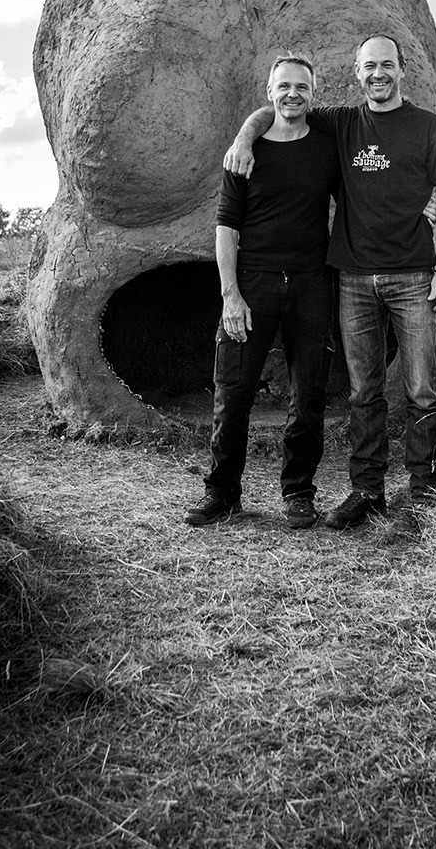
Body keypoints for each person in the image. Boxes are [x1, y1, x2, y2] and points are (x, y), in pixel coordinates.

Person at [225, 34, 436, 531]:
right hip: (353, 277)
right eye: (369, 66)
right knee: (364, 392)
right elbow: (280, 110)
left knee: (421, 389)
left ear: (402, 71)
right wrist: (244, 138)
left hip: (413, 274)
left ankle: (423, 493)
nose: (378, 74)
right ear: (356, 73)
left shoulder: (429, 128)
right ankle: (367, 493)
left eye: (387, 65)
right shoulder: (341, 123)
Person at [185, 54, 340, 530]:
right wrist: (230, 294)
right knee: (232, 392)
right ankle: (222, 492)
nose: (293, 94)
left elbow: (365, 195)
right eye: (284, 86)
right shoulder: (243, 156)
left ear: (313, 94)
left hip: (313, 284)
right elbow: (225, 227)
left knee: (307, 396)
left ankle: (298, 493)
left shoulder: (327, 148)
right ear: (269, 91)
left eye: (302, 87)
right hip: (253, 285)